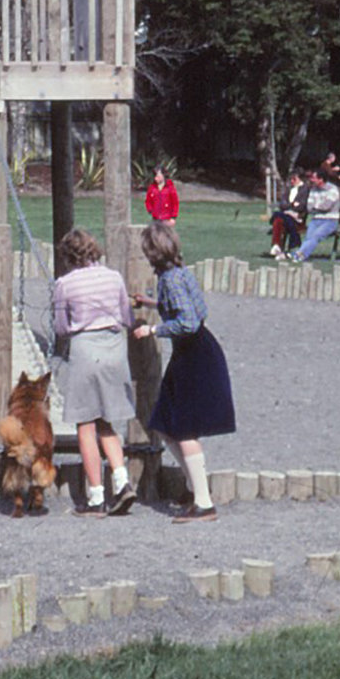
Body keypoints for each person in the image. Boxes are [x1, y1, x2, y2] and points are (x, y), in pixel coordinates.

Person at [131, 221, 234, 523]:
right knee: (164, 424)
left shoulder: (171, 280)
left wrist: (152, 329)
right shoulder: (178, 273)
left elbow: (189, 322)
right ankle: (193, 485)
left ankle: (203, 503)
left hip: (193, 355)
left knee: (183, 428)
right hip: (194, 352)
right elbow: (194, 309)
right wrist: (151, 303)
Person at [50, 227, 140, 517]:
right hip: (114, 348)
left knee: (85, 424)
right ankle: (122, 480)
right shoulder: (114, 277)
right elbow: (127, 318)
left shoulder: (64, 284)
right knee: (106, 420)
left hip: (86, 349)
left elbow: (61, 328)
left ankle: (96, 497)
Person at [290, 167, 340, 261]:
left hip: (330, 220)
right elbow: (309, 206)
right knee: (309, 237)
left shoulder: (332, 189)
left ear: (321, 179)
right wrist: (318, 206)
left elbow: (326, 206)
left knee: (316, 236)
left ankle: (299, 254)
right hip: (316, 219)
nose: (311, 180)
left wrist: (317, 206)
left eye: (313, 178)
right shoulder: (313, 190)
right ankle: (301, 256)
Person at [268, 168, 307, 257]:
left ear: (300, 179)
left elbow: (302, 206)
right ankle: (287, 244)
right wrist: (293, 205)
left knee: (278, 217)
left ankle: (277, 245)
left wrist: (289, 206)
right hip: (286, 216)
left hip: (297, 218)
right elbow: (282, 204)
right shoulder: (288, 189)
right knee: (279, 219)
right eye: (291, 179)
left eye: (294, 179)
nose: (292, 181)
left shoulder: (304, 189)